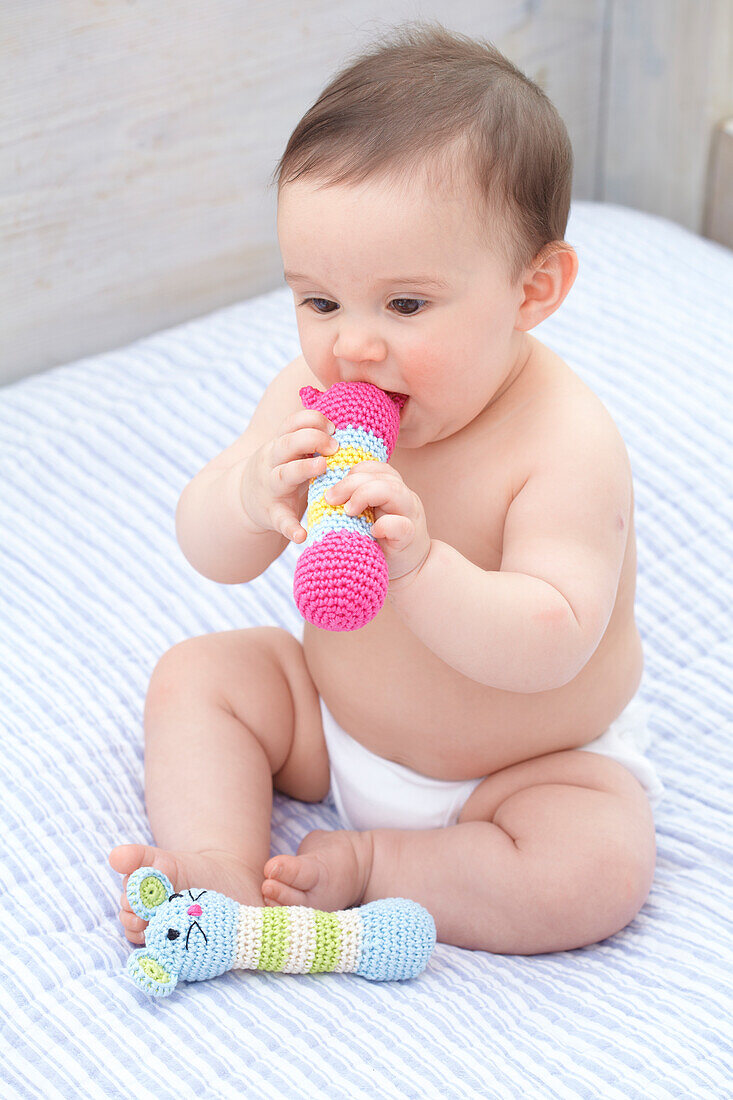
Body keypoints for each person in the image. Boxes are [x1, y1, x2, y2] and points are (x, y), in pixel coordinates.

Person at [110, 22, 664, 955]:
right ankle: (218, 862)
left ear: (534, 290)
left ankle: (381, 869)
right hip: (334, 722)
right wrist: (248, 495)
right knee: (198, 677)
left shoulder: (564, 440)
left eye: (405, 305)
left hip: (524, 769)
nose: (352, 346)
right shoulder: (312, 399)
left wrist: (421, 567)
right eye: (319, 301)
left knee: (596, 868)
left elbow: (553, 640)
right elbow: (208, 549)